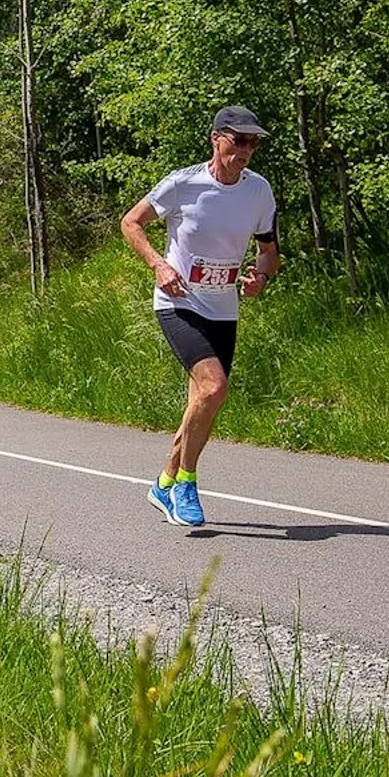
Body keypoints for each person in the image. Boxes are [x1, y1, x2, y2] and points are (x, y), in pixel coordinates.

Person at [120, 105, 281, 527]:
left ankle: (163, 483)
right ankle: (187, 484)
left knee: (204, 401)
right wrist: (159, 264)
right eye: (239, 140)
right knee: (213, 388)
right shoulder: (183, 184)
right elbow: (131, 223)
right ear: (217, 138)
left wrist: (260, 278)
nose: (247, 149)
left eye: (253, 143)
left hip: (223, 308)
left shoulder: (258, 191)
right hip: (179, 302)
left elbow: (268, 253)